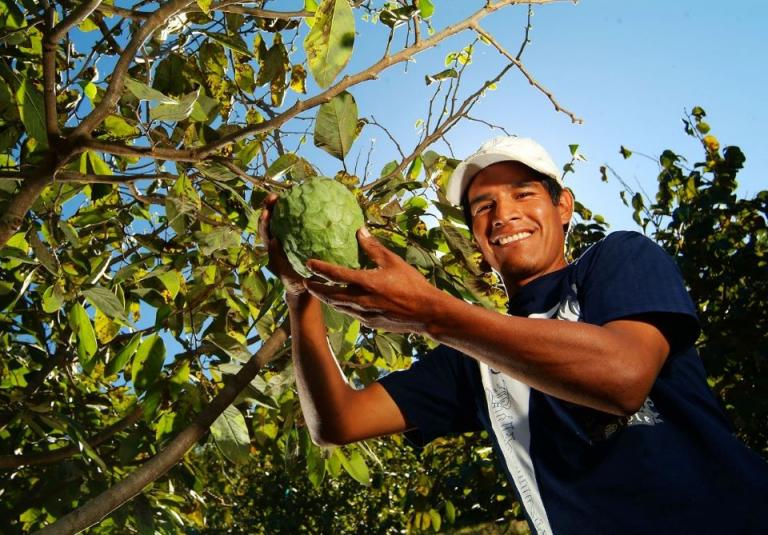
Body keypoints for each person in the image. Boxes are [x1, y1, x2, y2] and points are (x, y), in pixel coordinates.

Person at [258, 136, 768, 534]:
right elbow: (338, 422)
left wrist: (432, 313)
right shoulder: (471, 357)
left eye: (523, 193)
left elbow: (624, 376)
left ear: (563, 206)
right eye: (482, 207)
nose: (503, 215)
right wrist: (299, 293)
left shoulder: (616, 262)